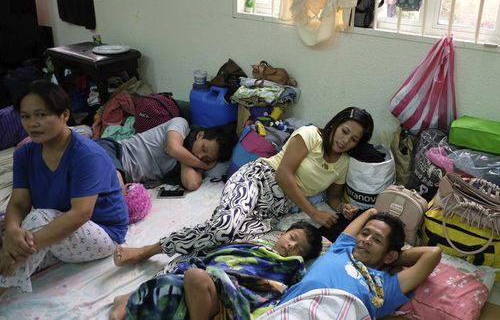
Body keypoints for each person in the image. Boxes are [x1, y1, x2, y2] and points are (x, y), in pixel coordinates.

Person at [113, 107, 374, 266]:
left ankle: (170, 272)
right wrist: (314, 212)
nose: (345, 141)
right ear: (335, 125)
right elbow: (284, 174)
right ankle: (148, 250)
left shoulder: (343, 164)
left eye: (353, 139)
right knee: (224, 228)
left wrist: (345, 207)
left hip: (275, 209)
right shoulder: (309, 136)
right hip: (258, 180)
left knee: (232, 246)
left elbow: (334, 197)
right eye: (344, 131)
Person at [0, 80, 129, 296]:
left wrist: (17, 249)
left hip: (103, 233)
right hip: (56, 228)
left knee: (34, 225)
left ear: (65, 115)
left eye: (41, 115)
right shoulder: (24, 154)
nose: (32, 124)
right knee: (14, 234)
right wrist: (12, 230)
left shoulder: (86, 155)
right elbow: (20, 201)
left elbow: (80, 214)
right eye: (26, 117)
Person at [109, 221, 323, 320]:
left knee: (192, 280)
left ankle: (127, 302)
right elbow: (221, 257)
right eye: (292, 238)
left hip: (230, 304)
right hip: (212, 286)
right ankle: (126, 302)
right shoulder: (252, 246)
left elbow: (277, 291)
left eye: (300, 249)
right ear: (282, 234)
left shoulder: (290, 268)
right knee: (182, 280)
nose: (291, 247)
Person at [275, 209, 441, 319]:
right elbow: (372, 212)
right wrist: (383, 252)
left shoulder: (386, 286)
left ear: (390, 255)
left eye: (377, 240)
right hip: (295, 310)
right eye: (365, 234)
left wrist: (390, 257)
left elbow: (433, 253)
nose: (366, 240)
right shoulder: (341, 249)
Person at [96, 117, 237, 192]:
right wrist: (203, 165)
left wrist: (185, 159)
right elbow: (173, 149)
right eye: (204, 148)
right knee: (117, 192)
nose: (199, 155)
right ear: (200, 135)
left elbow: (192, 184)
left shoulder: (190, 160)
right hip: (114, 152)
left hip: (126, 178)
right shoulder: (180, 124)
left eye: (206, 158)